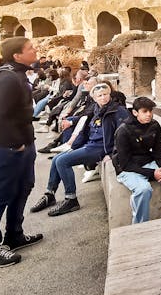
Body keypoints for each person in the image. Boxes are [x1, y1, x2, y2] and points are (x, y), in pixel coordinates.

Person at [0, 37, 42, 268]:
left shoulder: (18, 75)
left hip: (21, 146)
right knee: (0, 196)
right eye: (30, 48)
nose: (35, 50)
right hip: (6, 149)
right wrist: (17, 144)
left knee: (23, 189)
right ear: (17, 56)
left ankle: (14, 235)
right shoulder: (6, 79)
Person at [30, 83, 129, 216]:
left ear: (110, 95)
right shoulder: (95, 109)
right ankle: (49, 194)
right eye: (99, 95)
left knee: (62, 162)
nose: (103, 97)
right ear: (94, 98)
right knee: (57, 159)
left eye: (106, 94)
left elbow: (124, 134)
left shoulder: (118, 110)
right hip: (90, 144)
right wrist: (72, 135)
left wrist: (111, 154)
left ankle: (71, 199)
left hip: (101, 148)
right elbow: (83, 121)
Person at [112, 97, 161, 223]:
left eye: (150, 111)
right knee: (143, 189)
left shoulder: (154, 125)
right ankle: (140, 225)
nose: (149, 114)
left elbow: (158, 151)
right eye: (144, 111)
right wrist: (153, 174)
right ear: (135, 112)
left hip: (147, 162)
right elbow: (125, 164)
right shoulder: (123, 131)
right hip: (126, 169)